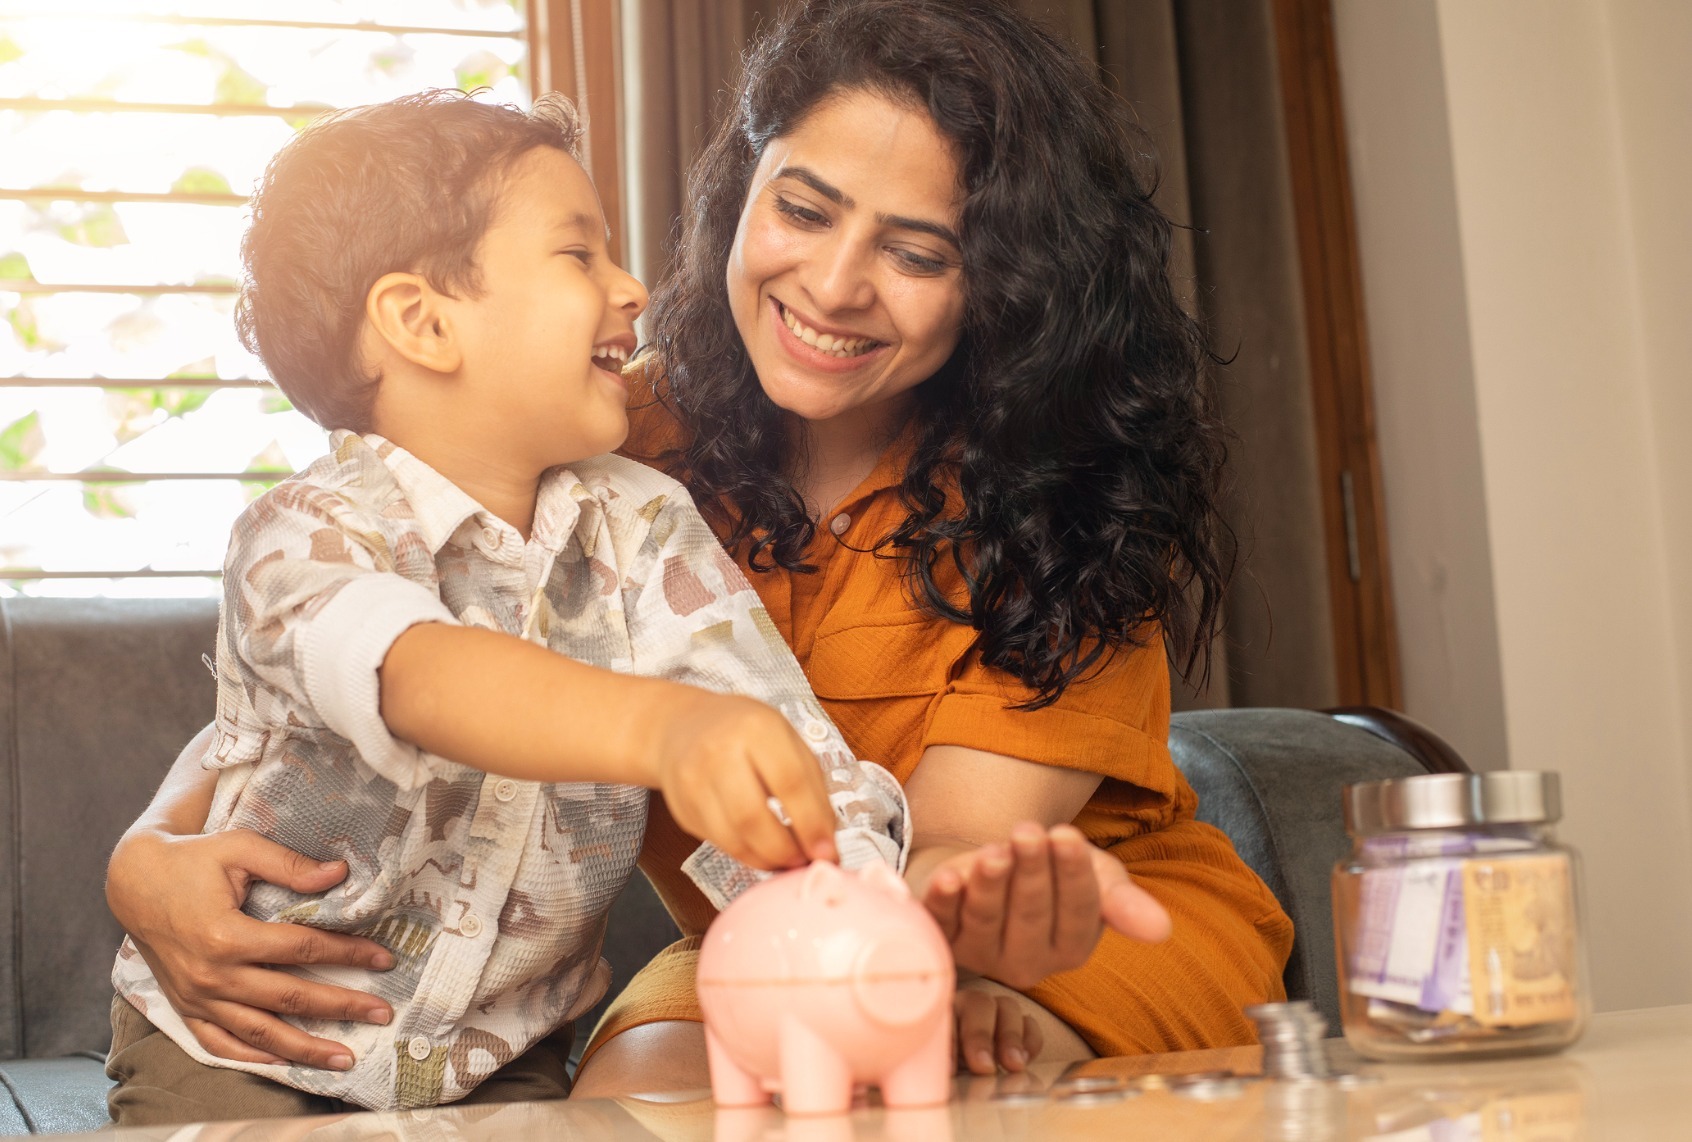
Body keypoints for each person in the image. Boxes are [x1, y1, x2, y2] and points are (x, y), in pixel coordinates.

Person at [106, 0, 1292, 1100]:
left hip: (1047, 931)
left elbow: (944, 854)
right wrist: (146, 856)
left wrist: (965, 945)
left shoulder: (1065, 502)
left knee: (950, 1067)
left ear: (1005, 286)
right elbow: (323, 671)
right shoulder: (609, 441)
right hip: (771, 937)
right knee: (639, 1099)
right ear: (743, 190)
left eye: (918, 252)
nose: (833, 283)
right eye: (806, 209)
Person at [104, 89, 914, 1123]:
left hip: (497, 1060)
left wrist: (860, 931)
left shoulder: (647, 525)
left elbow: (785, 751)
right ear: (422, 321)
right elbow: (415, 671)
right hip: (244, 1046)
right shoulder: (299, 537)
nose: (632, 289)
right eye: (578, 255)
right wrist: (664, 728)